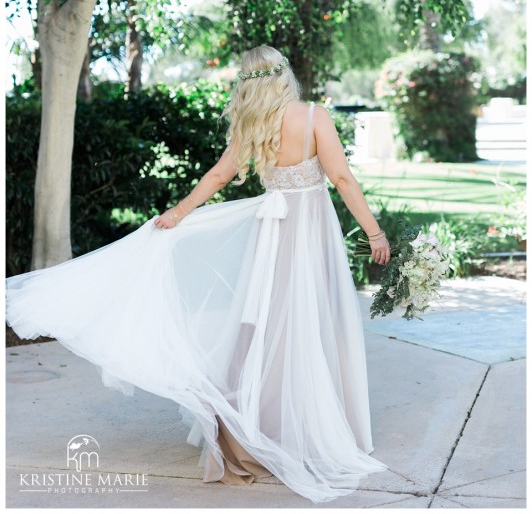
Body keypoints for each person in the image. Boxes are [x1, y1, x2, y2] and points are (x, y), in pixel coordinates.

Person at [6, 45, 390, 504]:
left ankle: (261, 427)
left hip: (273, 237)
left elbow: (218, 176)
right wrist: (375, 232)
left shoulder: (254, 123)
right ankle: (306, 430)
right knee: (308, 324)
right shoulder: (313, 117)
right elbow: (343, 180)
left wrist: (180, 211)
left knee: (268, 329)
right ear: (285, 75)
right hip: (309, 233)